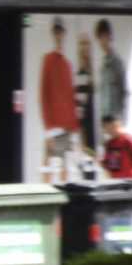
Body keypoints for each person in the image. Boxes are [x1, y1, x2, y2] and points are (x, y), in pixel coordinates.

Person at [40, 17, 78, 170]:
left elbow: (71, 97)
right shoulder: (48, 60)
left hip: (68, 126)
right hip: (54, 126)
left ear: (64, 33)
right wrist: (48, 129)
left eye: (60, 31)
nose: (58, 35)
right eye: (56, 31)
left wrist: (75, 128)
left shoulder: (67, 64)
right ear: (52, 33)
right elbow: (44, 95)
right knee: (49, 166)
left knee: (65, 168)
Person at [96, 18, 127, 122]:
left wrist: (122, 118)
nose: (102, 41)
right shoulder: (103, 64)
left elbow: (123, 90)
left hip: (115, 118)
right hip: (105, 118)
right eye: (100, 38)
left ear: (110, 37)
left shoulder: (117, 62)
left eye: (104, 36)